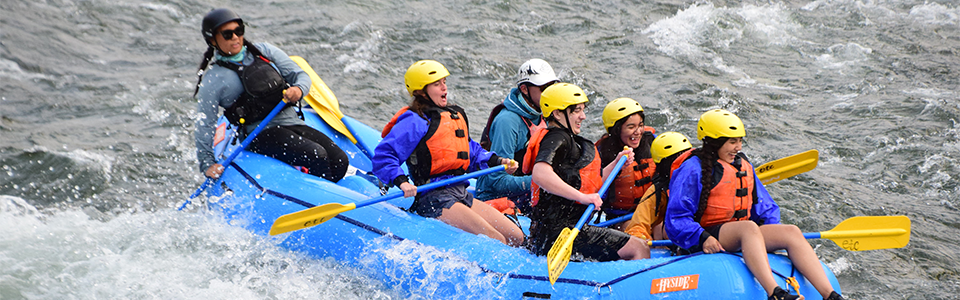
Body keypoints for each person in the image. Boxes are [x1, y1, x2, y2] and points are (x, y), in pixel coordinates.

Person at [665, 109, 843, 300]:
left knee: (791, 231)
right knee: (748, 228)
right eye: (732, 142)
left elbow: (765, 207)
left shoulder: (742, 166)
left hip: (740, 233)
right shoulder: (692, 168)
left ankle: (830, 295)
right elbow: (676, 218)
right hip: (707, 235)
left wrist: (770, 233)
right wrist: (702, 237)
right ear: (715, 143)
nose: (738, 147)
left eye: (740, 141)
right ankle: (775, 293)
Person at [372, 60, 524, 246]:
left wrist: (499, 162)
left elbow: (472, 152)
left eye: (444, 82)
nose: (444, 88)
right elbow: (384, 155)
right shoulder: (415, 121)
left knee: (516, 237)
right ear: (421, 91)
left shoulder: (450, 116)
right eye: (437, 84)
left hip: (460, 191)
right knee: (496, 239)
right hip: (433, 196)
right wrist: (401, 182)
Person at [192, 8, 348, 182]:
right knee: (316, 155)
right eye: (227, 34)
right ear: (213, 40)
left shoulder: (264, 51)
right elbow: (205, 124)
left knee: (340, 160)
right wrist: (207, 164)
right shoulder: (214, 79)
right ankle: (319, 196)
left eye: (239, 31)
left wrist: (299, 89)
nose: (235, 37)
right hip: (259, 135)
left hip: (291, 122)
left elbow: (301, 76)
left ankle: (322, 189)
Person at [524, 83, 650, 261]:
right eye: (576, 111)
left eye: (582, 110)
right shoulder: (557, 137)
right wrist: (582, 198)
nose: (583, 116)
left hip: (558, 231)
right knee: (639, 248)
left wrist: (616, 163)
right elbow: (540, 173)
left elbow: (594, 183)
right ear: (557, 113)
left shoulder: (567, 139)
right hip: (562, 233)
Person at [476, 59, 559, 213]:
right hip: (495, 198)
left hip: (526, 194)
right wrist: (545, 181)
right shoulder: (507, 122)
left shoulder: (545, 114)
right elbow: (497, 182)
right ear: (524, 89)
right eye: (544, 88)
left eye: (552, 87)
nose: (550, 93)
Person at [595, 98, 657, 229]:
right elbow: (595, 188)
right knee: (634, 230)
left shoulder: (652, 142)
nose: (638, 131)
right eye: (631, 127)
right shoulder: (602, 153)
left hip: (652, 212)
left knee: (663, 228)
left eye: (640, 125)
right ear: (617, 130)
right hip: (621, 218)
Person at [621, 132, 692, 241]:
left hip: (702, 232)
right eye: (679, 163)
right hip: (675, 236)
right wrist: (640, 238)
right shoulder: (658, 191)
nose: (686, 167)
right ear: (665, 168)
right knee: (662, 229)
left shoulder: (704, 179)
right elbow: (638, 225)